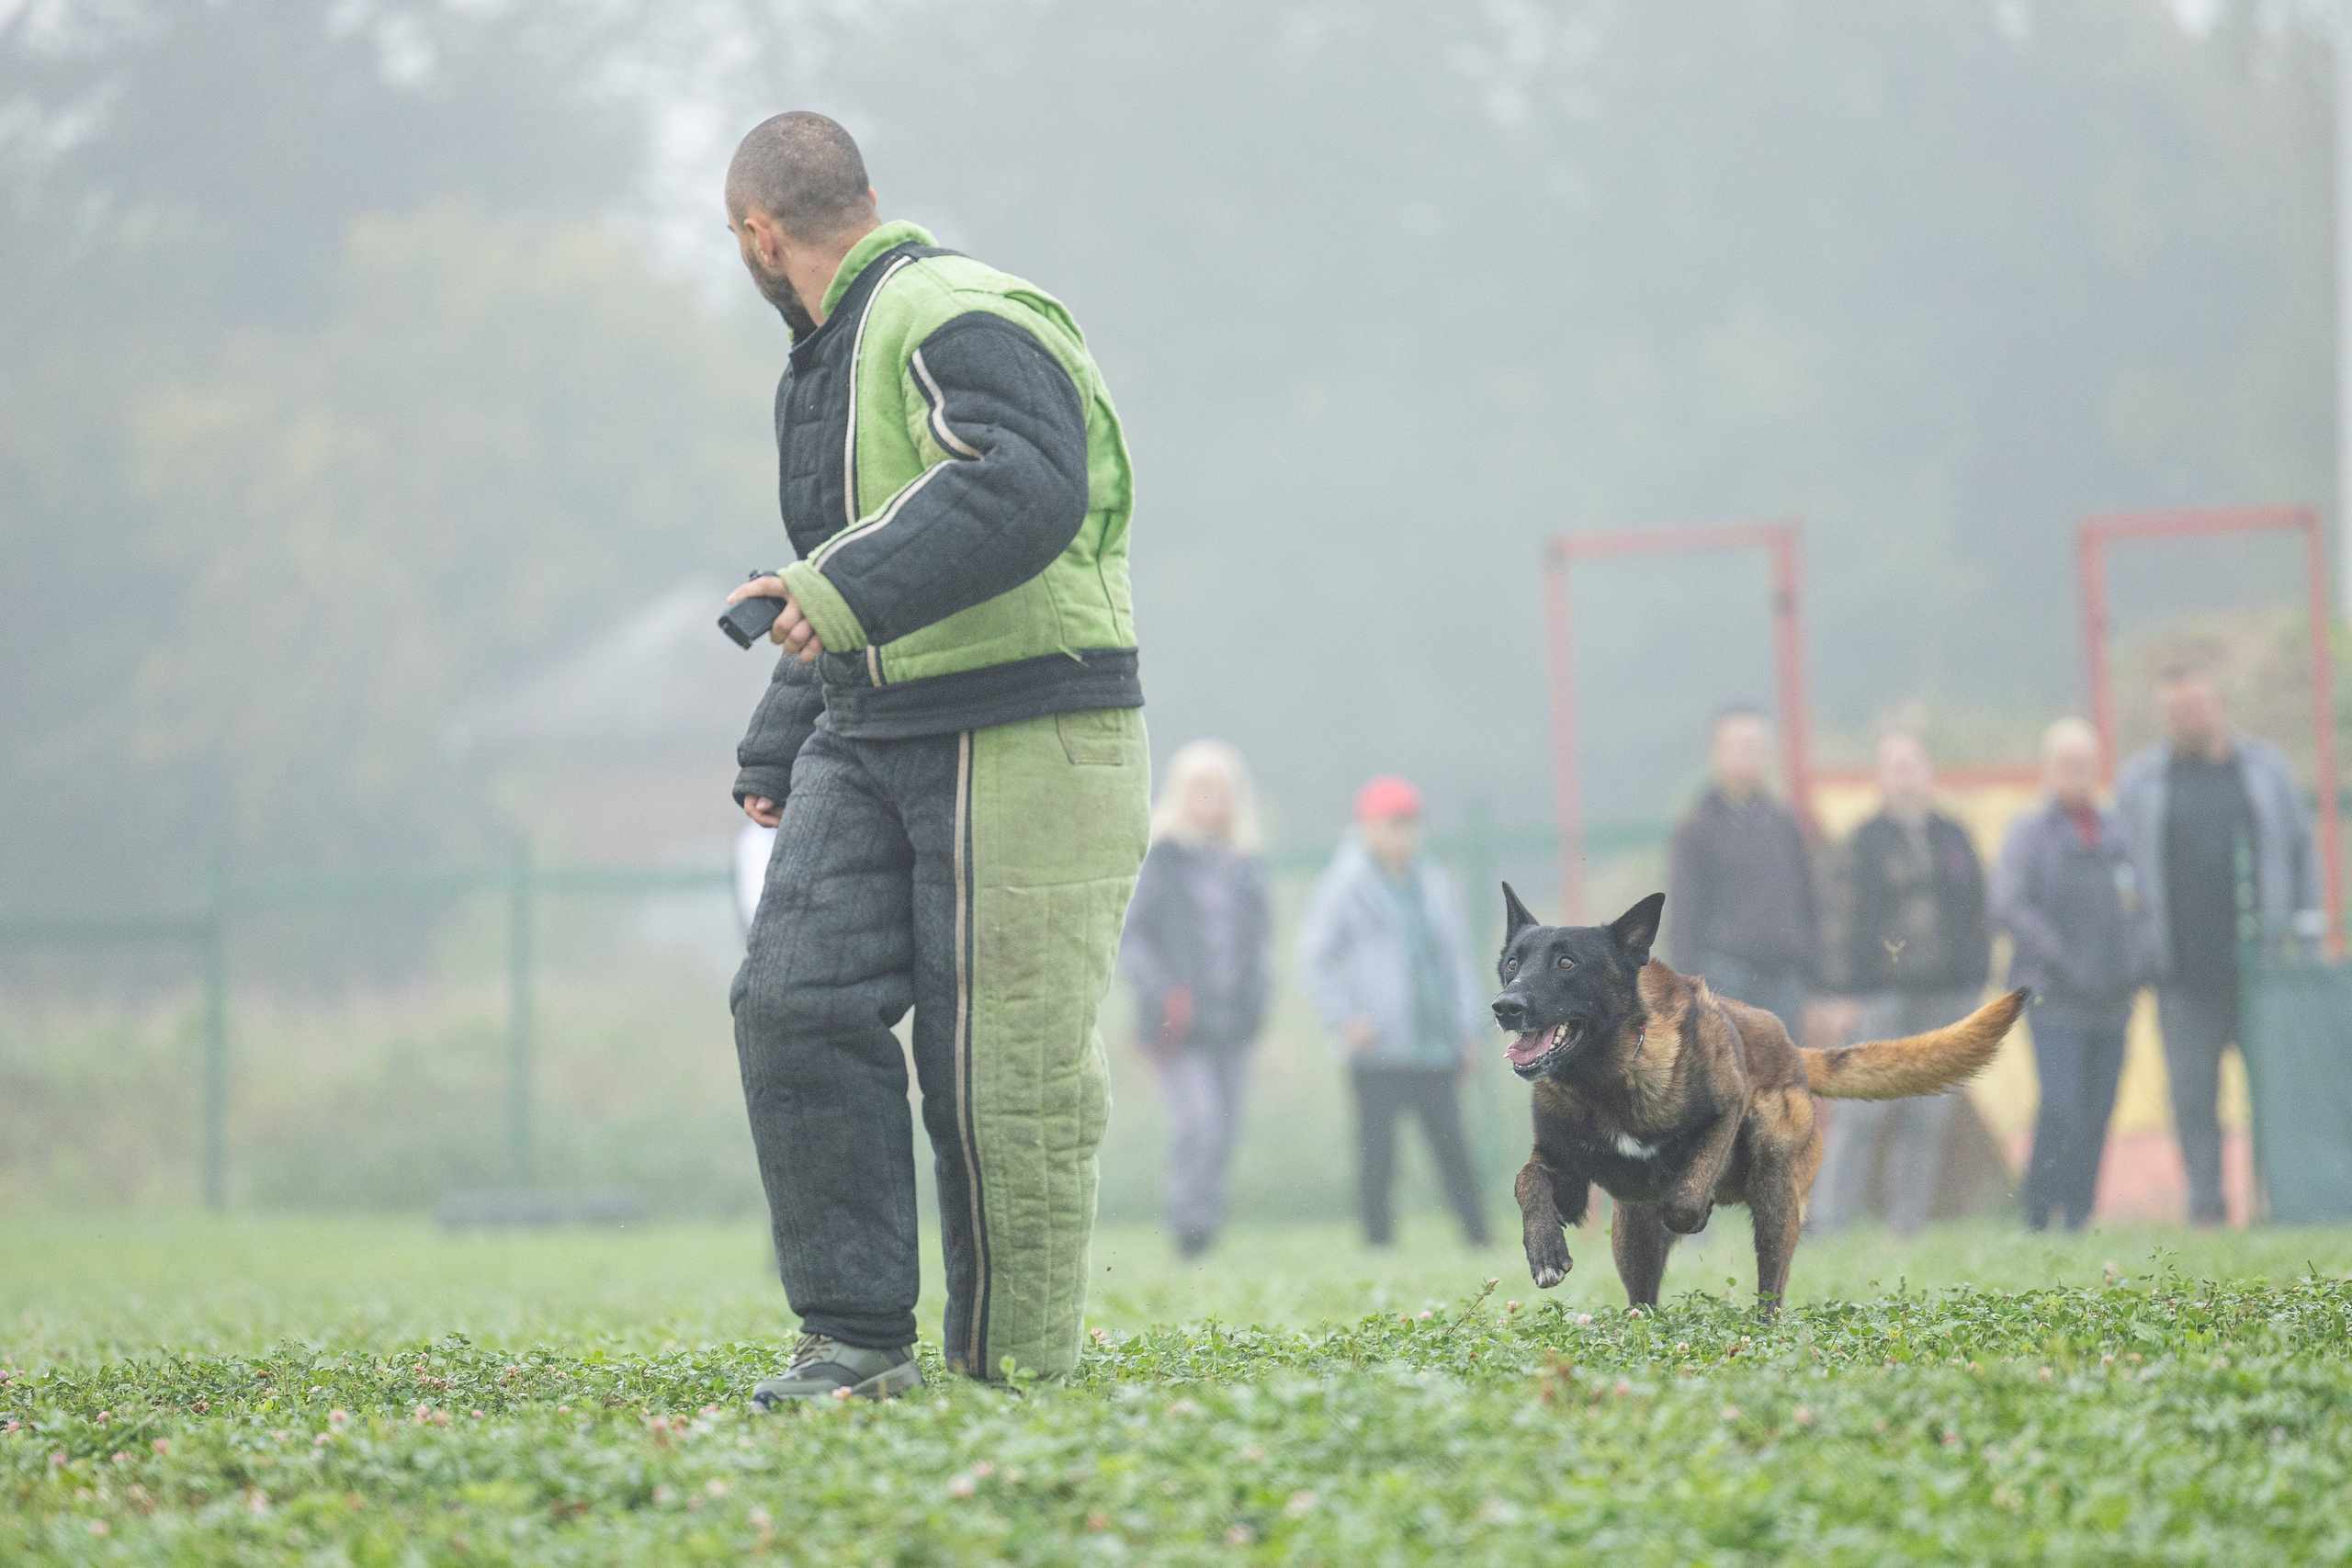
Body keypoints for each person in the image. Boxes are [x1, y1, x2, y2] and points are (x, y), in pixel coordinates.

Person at [720, 113, 1148, 1402]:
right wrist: (783, 730)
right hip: (872, 725)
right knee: (793, 999)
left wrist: (834, 588)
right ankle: (855, 1341)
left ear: (759, 234)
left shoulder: (954, 309)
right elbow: (868, 552)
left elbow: (1024, 481)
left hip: (1024, 719)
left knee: (997, 1075)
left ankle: (1008, 1376)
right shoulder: (829, 357)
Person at [2114, 660, 2326, 1226]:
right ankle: (2207, 1208)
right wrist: (2137, 946)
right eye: (2178, 711)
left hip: (2264, 974)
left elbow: (2303, 852)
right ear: (2166, 717)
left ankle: (2282, 1203)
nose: (2190, 718)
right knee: (2193, 1103)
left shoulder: (2265, 770)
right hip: (2181, 976)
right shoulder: (2142, 782)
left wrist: (2306, 933)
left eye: (2198, 707)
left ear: (2218, 706)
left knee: (2278, 1094)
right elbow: (2122, 869)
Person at [1809, 729, 1992, 1235]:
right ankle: (1828, 1222)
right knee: (1862, 1113)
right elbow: (1838, 920)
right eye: (1895, 766)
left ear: (1928, 772)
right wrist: (1841, 992)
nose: (1905, 776)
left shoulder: (1954, 837)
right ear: (1881, 778)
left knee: (1928, 1115)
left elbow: (1977, 911)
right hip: (1880, 995)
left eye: (1912, 765)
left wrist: (1976, 982)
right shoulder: (1863, 841)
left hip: (1947, 994)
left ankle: (1907, 1225)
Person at [1299, 775, 1490, 1249]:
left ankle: (1479, 1238)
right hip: (1378, 1048)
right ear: (1366, 828)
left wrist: (1468, 1030)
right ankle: (1377, 1245)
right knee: (1378, 1154)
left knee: (1454, 1149)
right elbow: (1313, 956)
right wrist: (1345, 1017)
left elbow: (1457, 960)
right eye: (1390, 824)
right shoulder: (1346, 885)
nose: (1401, 834)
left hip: (1435, 1043)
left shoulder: (1434, 881)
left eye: (1409, 824)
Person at [1995, 717, 2159, 1232]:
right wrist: (2056, 952)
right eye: (2067, 763)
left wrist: (2137, 960)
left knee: (2097, 1110)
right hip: (2053, 996)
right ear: (2049, 769)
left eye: (2086, 763)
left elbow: (2143, 905)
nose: (2077, 773)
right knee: (2061, 1105)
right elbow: (2007, 902)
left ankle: (2080, 1215)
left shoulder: (2117, 832)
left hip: (2112, 997)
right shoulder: (2028, 833)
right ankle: (2038, 1214)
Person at [1116, 741, 1273, 1258]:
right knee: (1198, 1123)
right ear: (1181, 794)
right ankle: (1188, 1229)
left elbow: (1261, 941)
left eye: (1220, 788)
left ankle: (1207, 1225)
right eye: (1199, 787)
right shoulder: (1161, 859)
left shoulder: (1246, 863)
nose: (1210, 798)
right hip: (1178, 1024)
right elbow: (1131, 935)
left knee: (1225, 1130)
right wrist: (1161, 990)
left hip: (1235, 1023)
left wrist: (1261, 996)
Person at [1665, 706, 1825, 1037]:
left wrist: (1819, 984)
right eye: (1740, 745)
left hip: (1786, 985)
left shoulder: (1787, 825)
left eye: (1757, 745)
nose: (1750, 754)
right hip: (1724, 983)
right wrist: (1686, 995)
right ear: (1716, 754)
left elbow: (1809, 904)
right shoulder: (1696, 830)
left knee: (1783, 1084)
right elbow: (1683, 920)